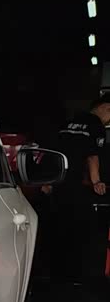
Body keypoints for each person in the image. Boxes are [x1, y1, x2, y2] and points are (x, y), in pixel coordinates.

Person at [48, 96, 110, 284]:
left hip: (58, 181)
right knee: (80, 229)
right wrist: (97, 181)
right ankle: (75, 276)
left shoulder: (68, 122)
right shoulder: (96, 125)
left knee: (58, 228)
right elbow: (92, 155)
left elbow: (53, 151)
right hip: (76, 184)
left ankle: (55, 274)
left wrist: (47, 181)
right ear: (106, 107)